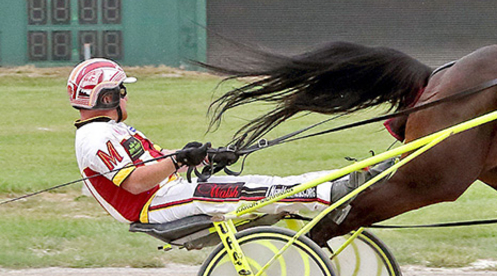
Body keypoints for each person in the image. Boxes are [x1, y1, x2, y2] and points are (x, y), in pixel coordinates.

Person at [69, 58, 372, 225]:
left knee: (259, 183)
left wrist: (204, 156)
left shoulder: (109, 129)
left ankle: (340, 182)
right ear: (107, 96)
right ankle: (330, 193)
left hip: (165, 194)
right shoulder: (95, 137)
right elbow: (135, 183)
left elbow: (158, 160)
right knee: (249, 190)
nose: (126, 96)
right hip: (152, 205)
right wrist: (177, 160)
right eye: (122, 91)